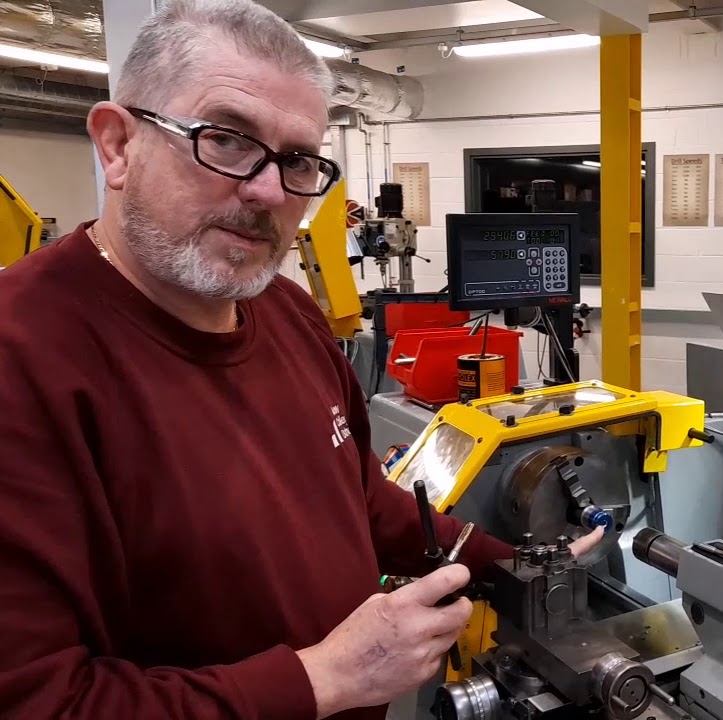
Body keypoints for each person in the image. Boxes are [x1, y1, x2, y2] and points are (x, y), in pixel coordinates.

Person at [0, 0, 603, 718]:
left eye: (297, 161)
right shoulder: (22, 357)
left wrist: (505, 563)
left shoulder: (284, 309)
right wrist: (322, 679)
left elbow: (360, 500)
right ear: (117, 145)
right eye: (226, 139)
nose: (267, 191)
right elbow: (39, 700)